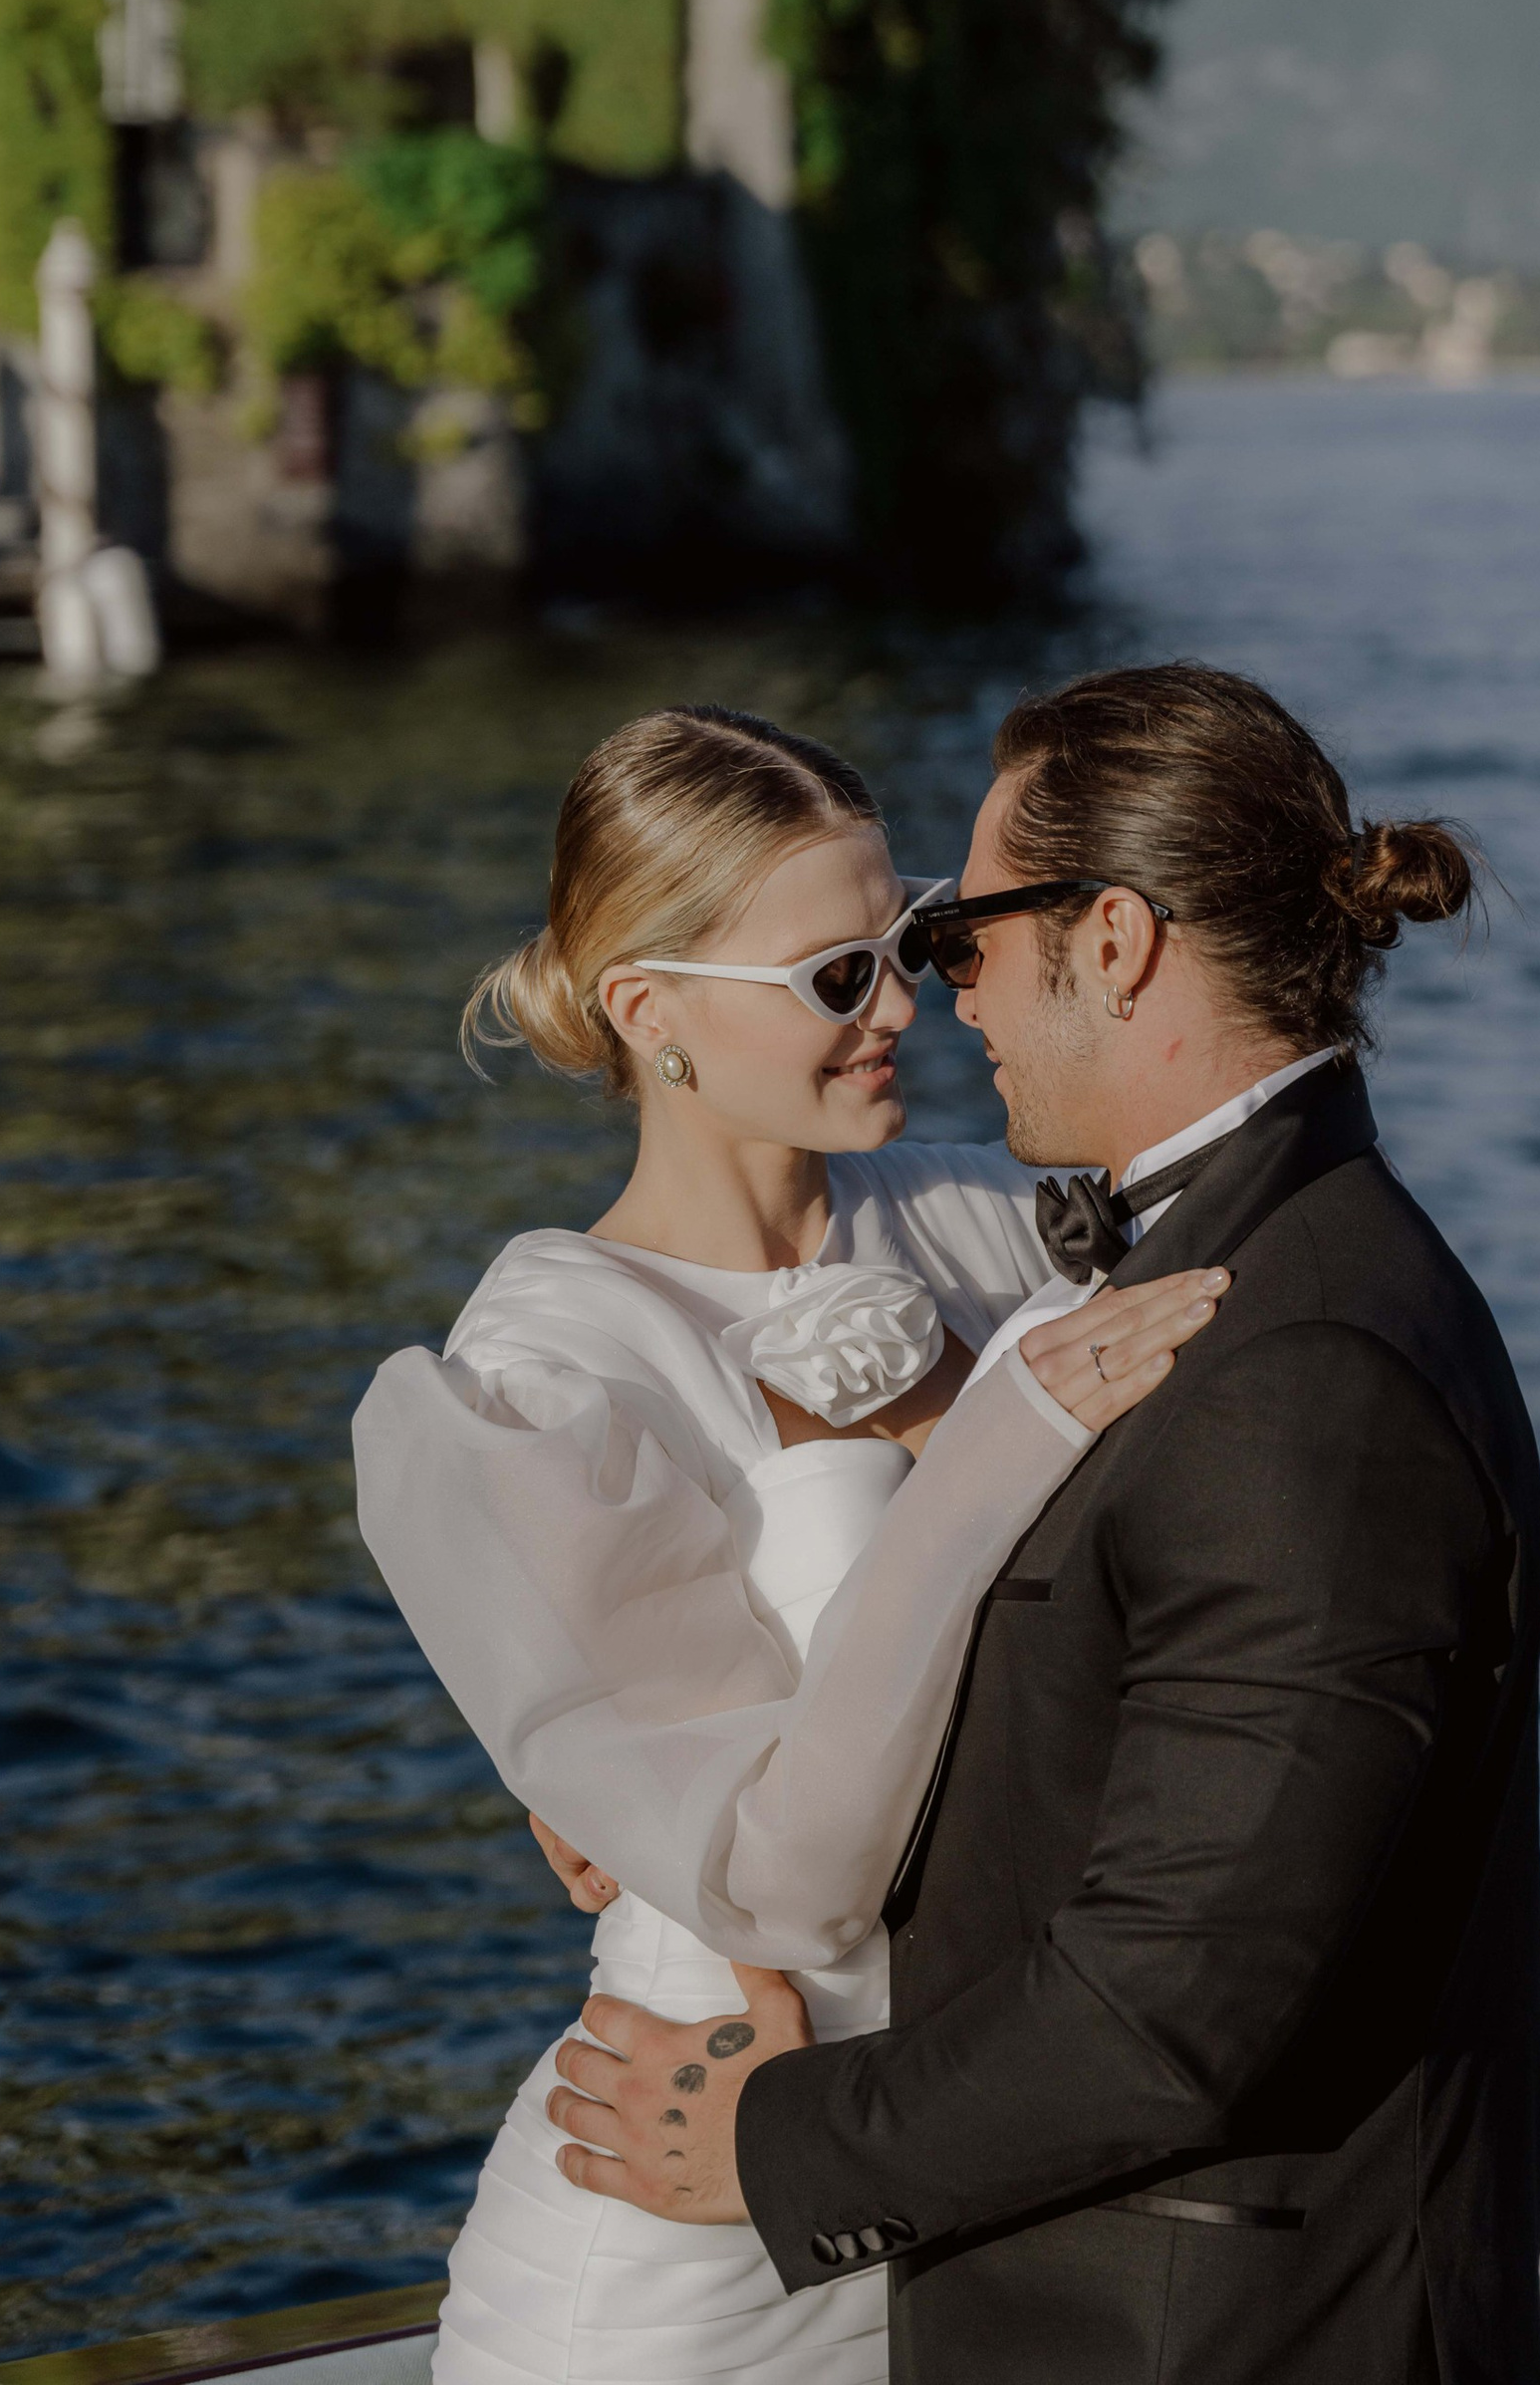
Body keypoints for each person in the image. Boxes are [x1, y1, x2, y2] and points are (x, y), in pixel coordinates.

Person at [547, 662, 1540, 2385]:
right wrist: (639, 1775)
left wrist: (775, 2148)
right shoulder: (1207, 1263)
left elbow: (1176, 2005)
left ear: (1114, 941)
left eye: (966, 932)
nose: (946, 993)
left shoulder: (1303, 1369)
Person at [352, 701, 1228, 2385]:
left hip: (965, 2166)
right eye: (839, 979)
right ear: (649, 1010)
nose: (907, 1008)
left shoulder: (996, 1215)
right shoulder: (551, 1365)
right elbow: (776, 1866)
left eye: (903, 946)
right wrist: (996, 1437)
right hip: (686, 2206)